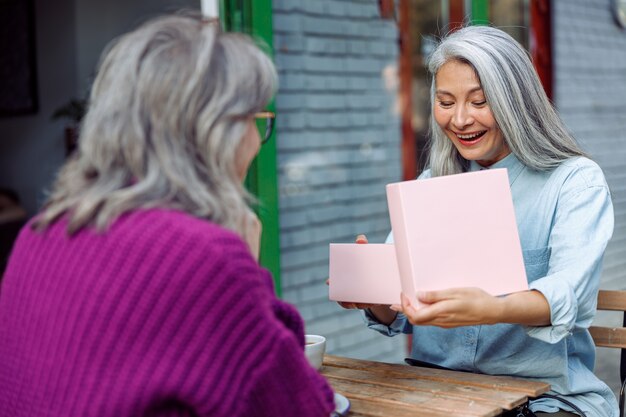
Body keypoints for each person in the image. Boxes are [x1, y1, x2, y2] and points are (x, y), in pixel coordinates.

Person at [0, 12, 335, 417]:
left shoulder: (38, 232)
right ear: (218, 135)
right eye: (256, 121)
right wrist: (248, 266)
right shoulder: (206, 258)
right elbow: (301, 405)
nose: (256, 141)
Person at [341, 26, 618, 417]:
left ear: (515, 102)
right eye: (445, 101)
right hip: (438, 390)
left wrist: (491, 308)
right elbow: (397, 309)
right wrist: (373, 294)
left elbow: (568, 293)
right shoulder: (433, 183)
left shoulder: (573, 181)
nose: (459, 119)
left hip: (544, 399)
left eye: (479, 101)